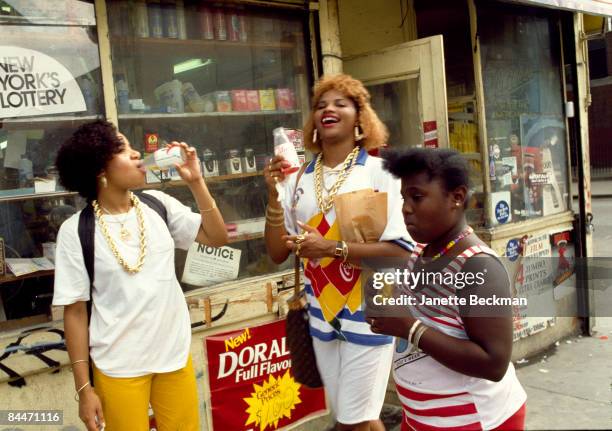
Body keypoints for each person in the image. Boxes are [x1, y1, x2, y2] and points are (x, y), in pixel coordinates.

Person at [52, 120, 228, 431]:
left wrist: (196, 182)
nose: (137, 155)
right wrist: (84, 389)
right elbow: (75, 312)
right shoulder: (76, 231)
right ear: (99, 169)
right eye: (122, 149)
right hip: (118, 366)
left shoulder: (158, 205)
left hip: (173, 357)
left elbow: (216, 237)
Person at [264, 74, 413, 431]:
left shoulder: (380, 173)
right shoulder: (298, 178)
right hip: (320, 315)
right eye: (320, 105)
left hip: (371, 310)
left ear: (360, 118)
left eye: (340, 103)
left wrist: (330, 248)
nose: (328, 109)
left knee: (352, 420)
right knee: (355, 418)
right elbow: (275, 253)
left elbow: (399, 253)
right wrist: (272, 193)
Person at [367, 148, 527, 431]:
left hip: (476, 420)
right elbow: (412, 313)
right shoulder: (419, 253)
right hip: (422, 418)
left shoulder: (478, 267)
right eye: (404, 197)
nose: (405, 208)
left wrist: (408, 328)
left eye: (417, 197)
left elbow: (494, 363)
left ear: (456, 197)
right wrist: (380, 302)